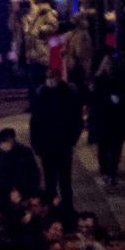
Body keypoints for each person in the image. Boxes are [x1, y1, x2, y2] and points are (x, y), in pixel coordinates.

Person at [31, 70, 85, 210]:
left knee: (65, 182)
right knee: (50, 182)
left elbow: (77, 120)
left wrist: (71, 140)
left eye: (52, 77)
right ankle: (51, 209)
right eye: (47, 77)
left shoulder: (69, 94)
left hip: (63, 146)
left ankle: (67, 209)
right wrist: (37, 144)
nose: (49, 80)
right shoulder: (41, 94)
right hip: (46, 147)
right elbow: (35, 122)